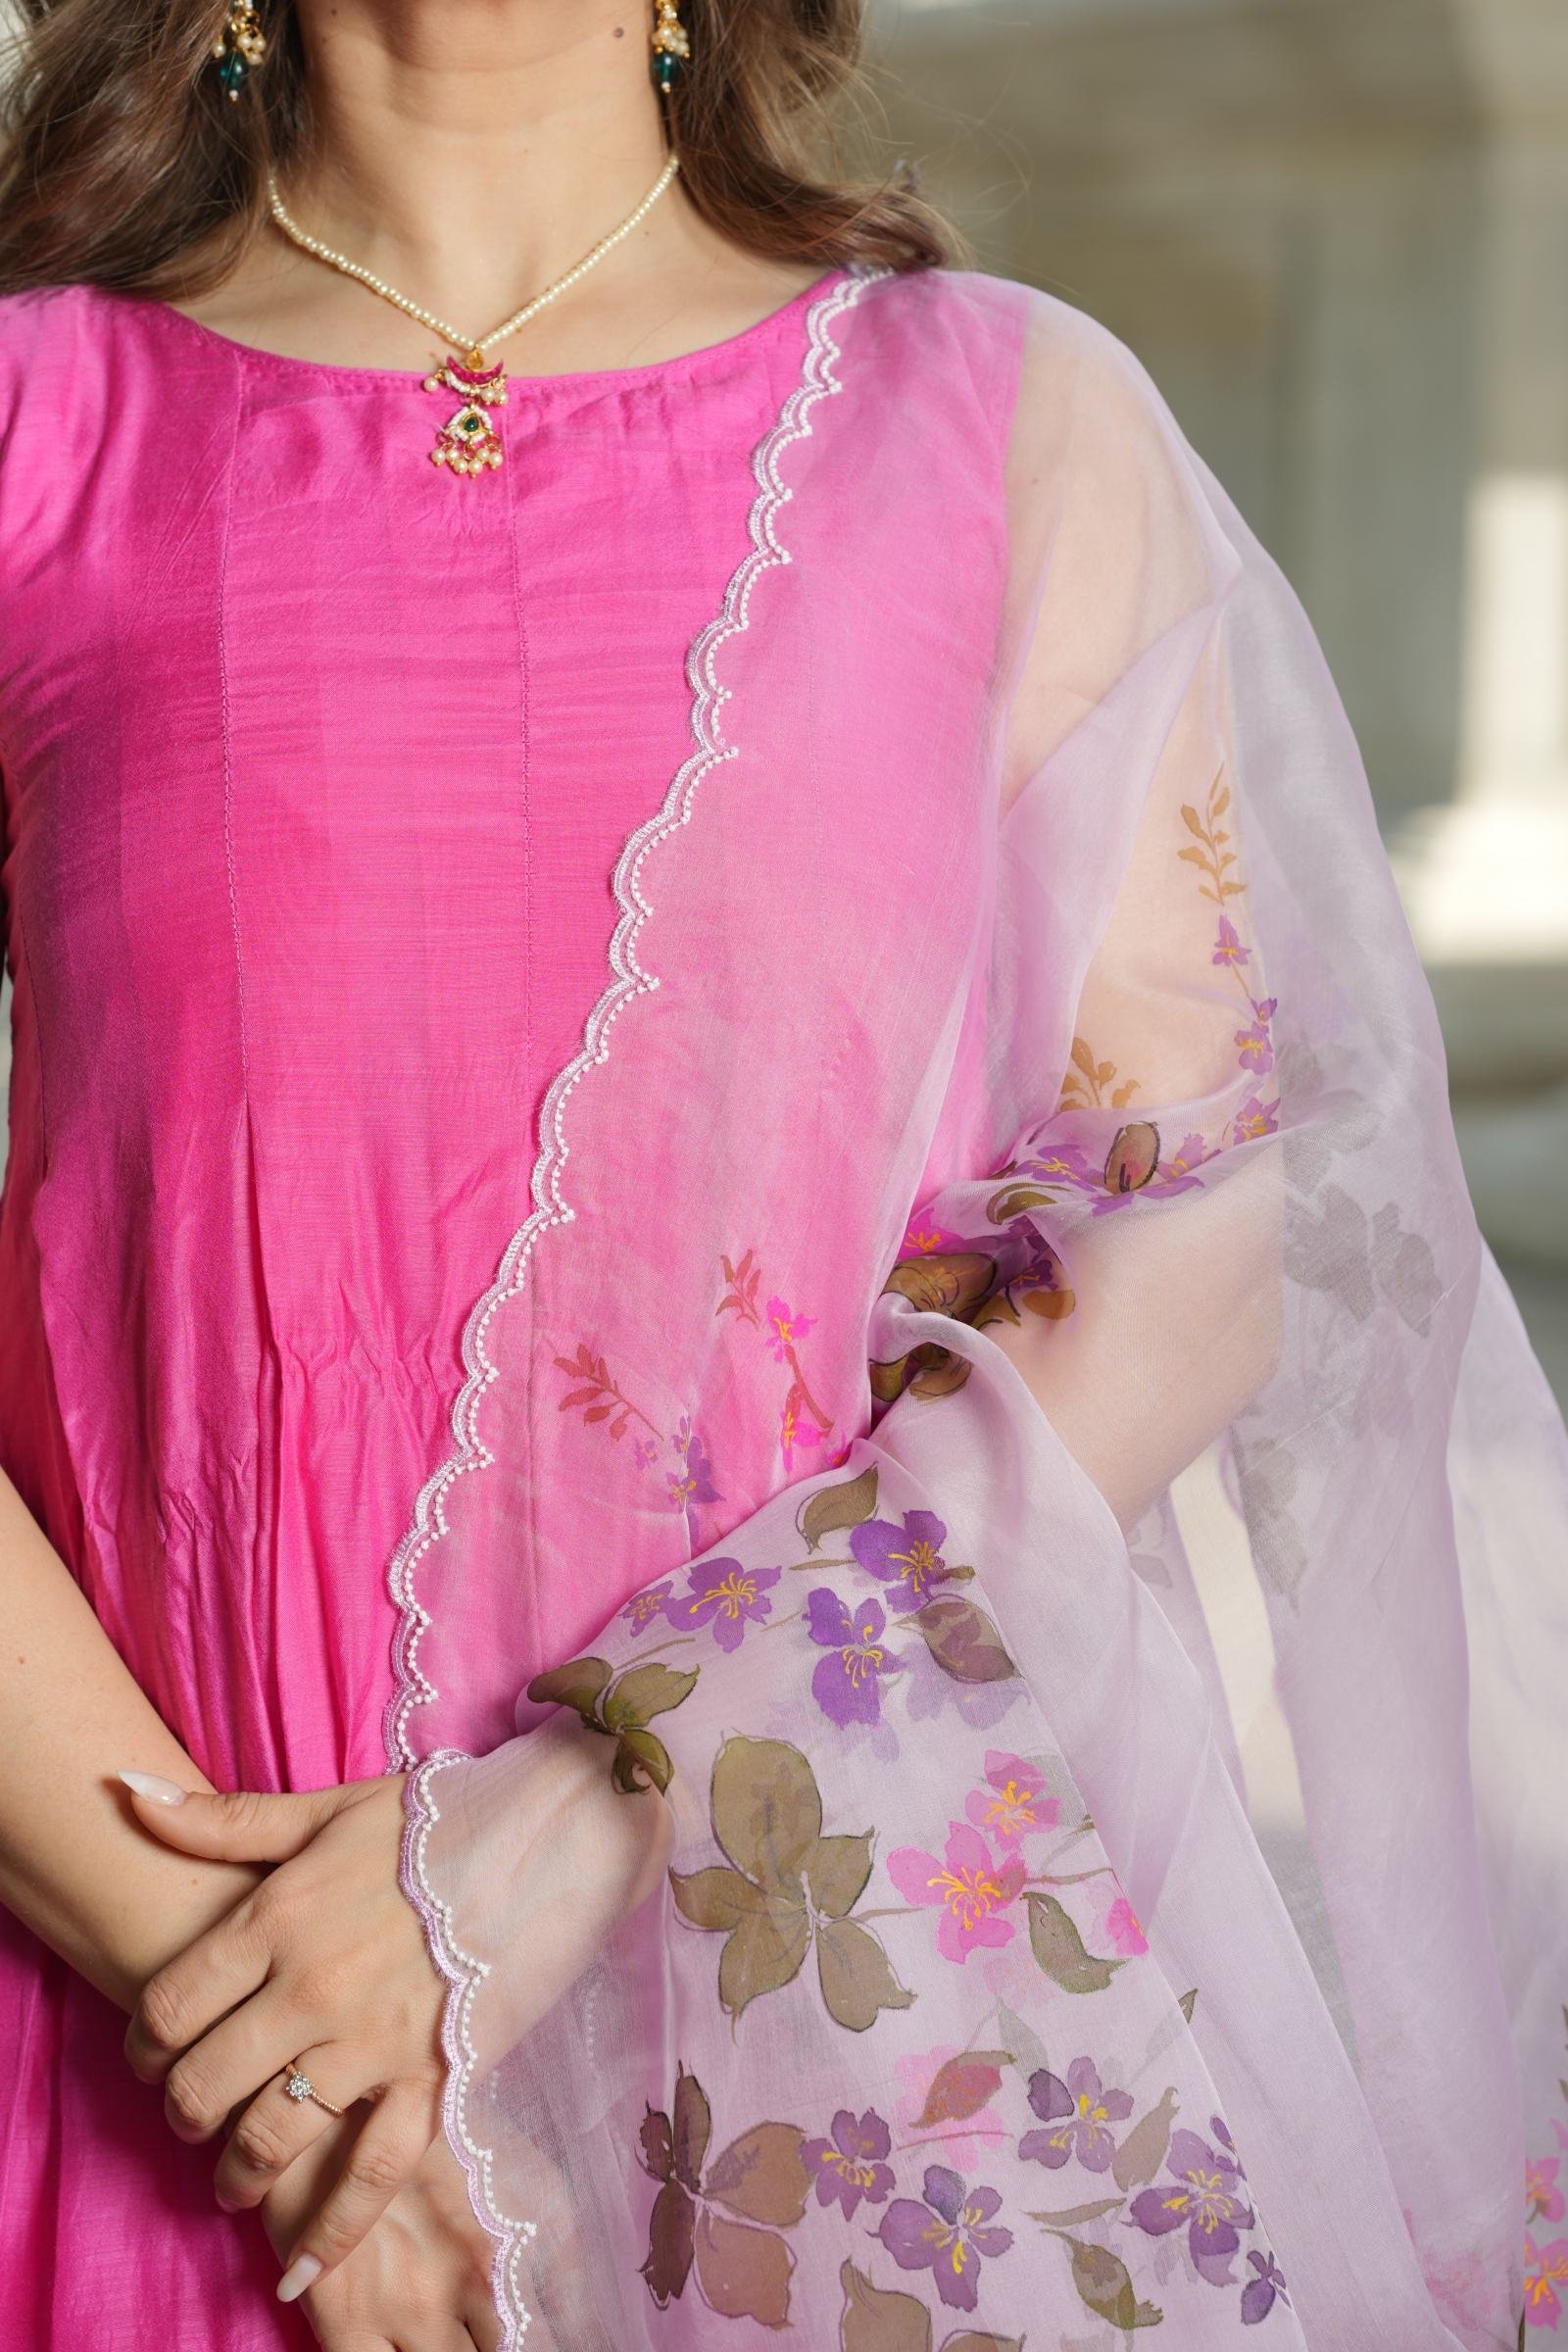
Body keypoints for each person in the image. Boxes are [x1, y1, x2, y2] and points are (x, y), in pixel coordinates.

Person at [0, 2, 1563, 2348]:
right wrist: (308, 2063)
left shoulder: (997, 419)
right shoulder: (40, 422)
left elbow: (1188, 1245)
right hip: (150, 2019)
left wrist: (580, 1814)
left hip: (806, 2007)